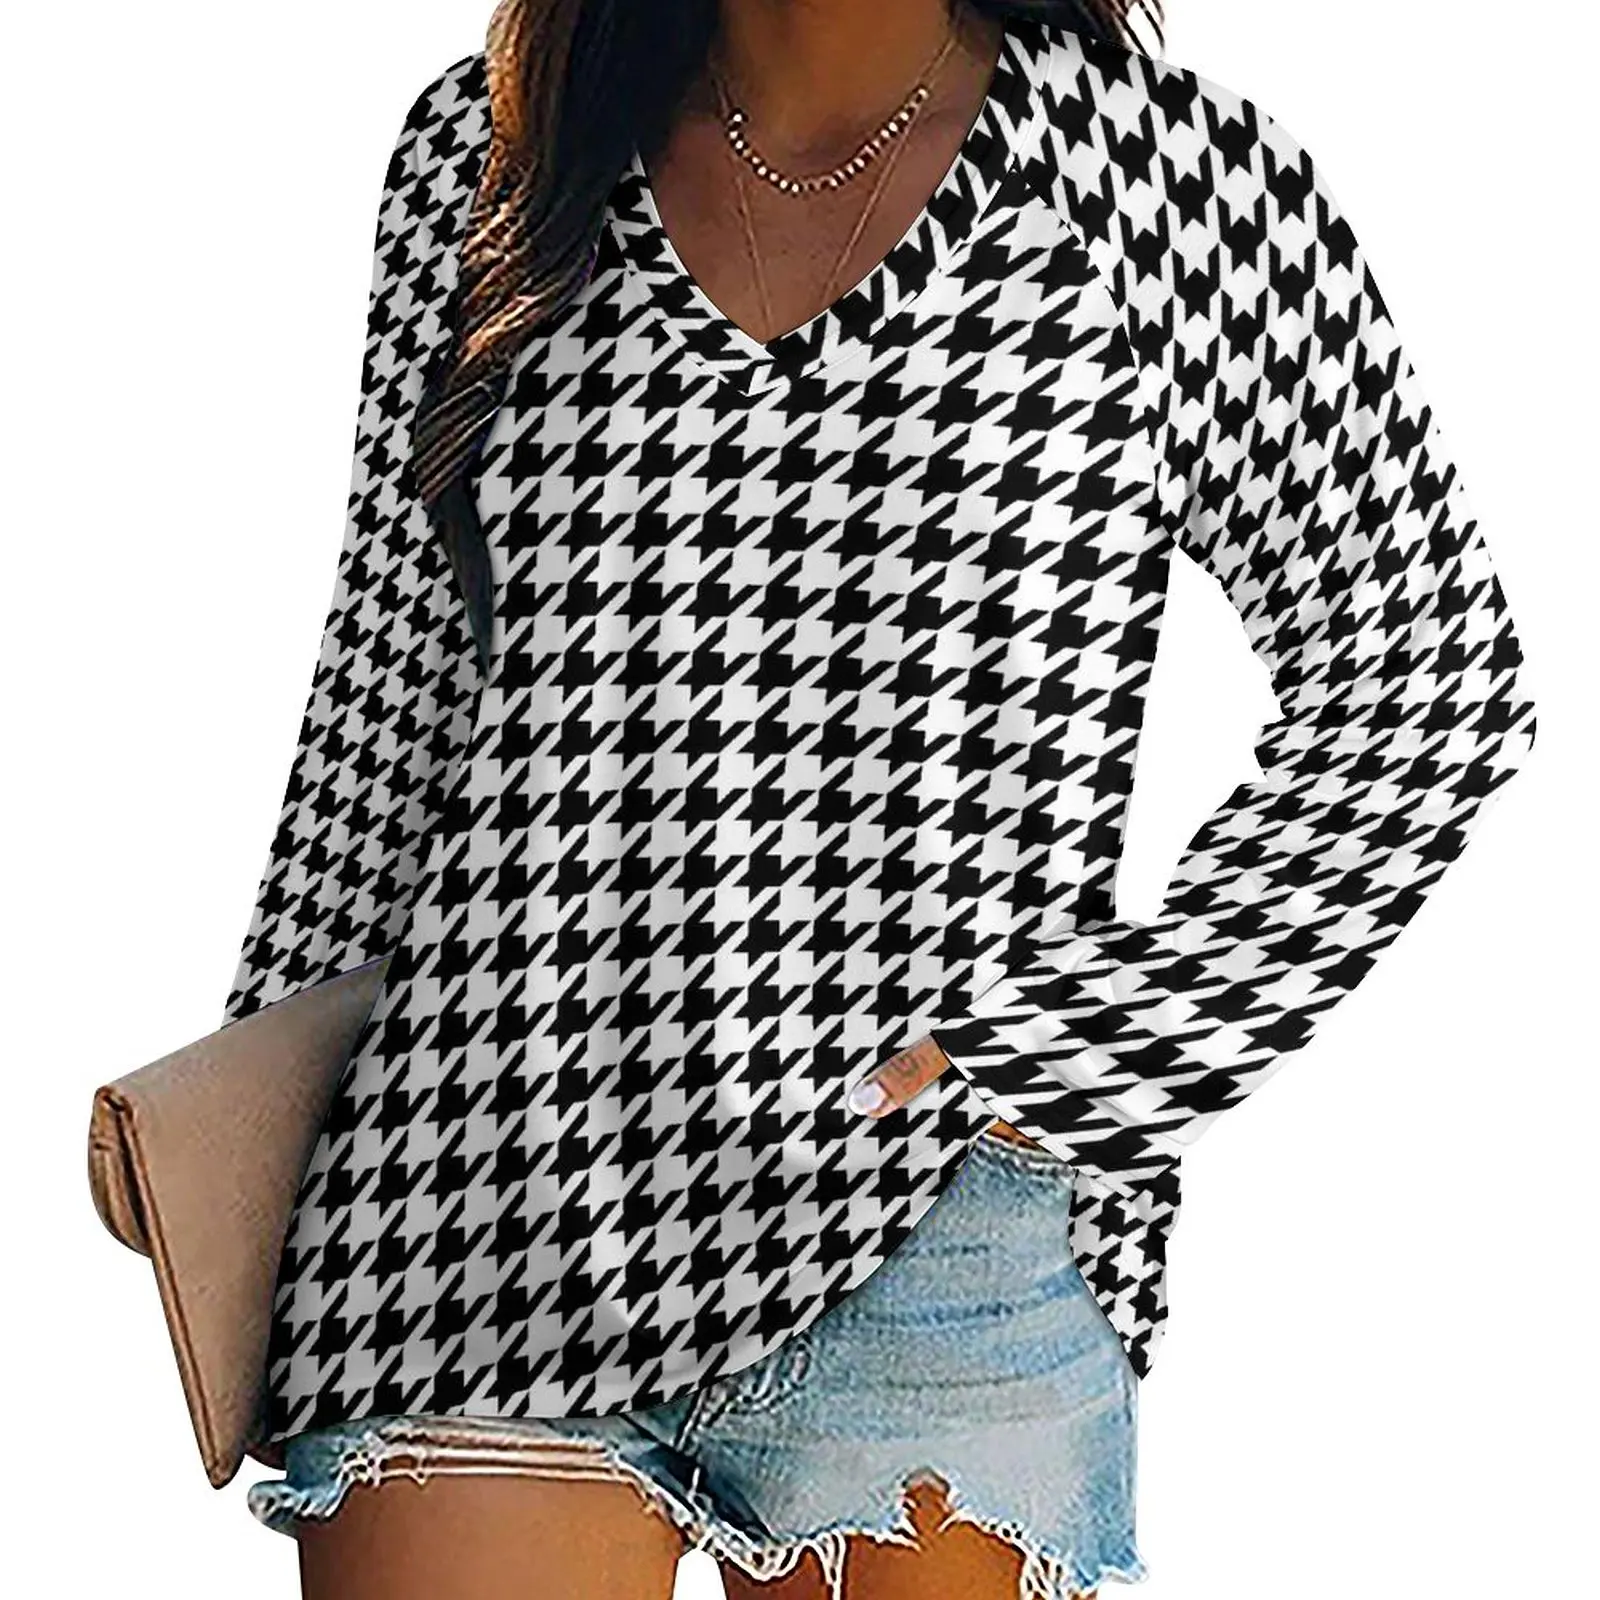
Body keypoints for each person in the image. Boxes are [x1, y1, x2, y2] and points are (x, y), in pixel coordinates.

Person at [225, 1, 1538, 1596]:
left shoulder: (1167, 183)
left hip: (932, 1240)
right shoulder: (495, 143)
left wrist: (1107, 1040)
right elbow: (395, 681)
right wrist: (239, 1122)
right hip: (471, 1185)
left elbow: (1431, 675)